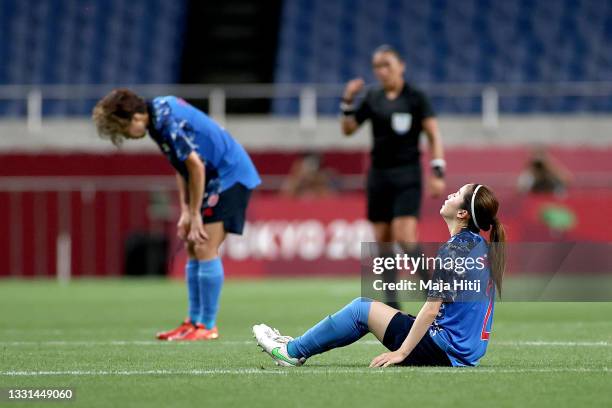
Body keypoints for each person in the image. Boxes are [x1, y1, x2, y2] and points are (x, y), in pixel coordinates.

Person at [253, 183, 505, 367]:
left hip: (444, 350)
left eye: (457, 194)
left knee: (360, 310)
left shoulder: (455, 248)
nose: (450, 194)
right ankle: (297, 347)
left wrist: (402, 352)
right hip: (465, 352)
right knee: (375, 311)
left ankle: (291, 351)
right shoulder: (481, 247)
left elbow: (430, 309)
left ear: (462, 214)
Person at [92, 89, 261, 341]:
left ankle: (207, 325)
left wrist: (194, 213)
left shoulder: (163, 122)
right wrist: (185, 211)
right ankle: (193, 322)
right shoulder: (158, 116)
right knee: (193, 245)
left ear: (136, 117)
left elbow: (194, 165)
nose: (125, 135)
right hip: (214, 176)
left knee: (204, 244)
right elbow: (182, 166)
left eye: (123, 128)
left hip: (230, 175)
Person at [340, 45, 446, 308]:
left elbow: (433, 134)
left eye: (386, 64)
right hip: (378, 175)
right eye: (377, 66)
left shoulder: (415, 97)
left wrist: (437, 170)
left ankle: (435, 295)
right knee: (383, 240)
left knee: (405, 235)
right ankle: (391, 304)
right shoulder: (373, 97)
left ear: (401, 66)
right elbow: (349, 130)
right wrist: (348, 102)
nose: (381, 71)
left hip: (407, 173)